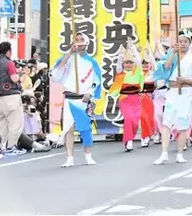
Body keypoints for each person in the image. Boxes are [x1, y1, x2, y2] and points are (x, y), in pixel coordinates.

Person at [152, 29, 192, 165]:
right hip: (172, 92)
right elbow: (165, 69)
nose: (183, 44)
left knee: (183, 123)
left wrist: (186, 80)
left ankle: (179, 153)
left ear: (189, 43)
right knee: (166, 122)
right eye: (180, 41)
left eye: (185, 41)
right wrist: (172, 53)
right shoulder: (172, 55)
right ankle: (164, 153)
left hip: (186, 93)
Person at [52, 32, 102, 168]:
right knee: (68, 129)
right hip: (69, 97)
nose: (79, 42)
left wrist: (90, 93)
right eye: (76, 39)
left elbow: (97, 80)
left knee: (85, 128)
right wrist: (69, 53)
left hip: (84, 99)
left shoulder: (91, 62)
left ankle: (88, 155)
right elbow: (56, 73)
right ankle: (69, 158)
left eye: (81, 39)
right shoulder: (68, 58)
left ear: (87, 43)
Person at [109, 41, 144, 152]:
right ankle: (129, 141)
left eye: (130, 62)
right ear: (123, 64)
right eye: (126, 63)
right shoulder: (121, 73)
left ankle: (129, 138)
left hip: (136, 100)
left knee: (135, 121)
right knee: (128, 119)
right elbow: (119, 64)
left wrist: (132, 48)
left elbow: (138, 61)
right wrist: (121, 55)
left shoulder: (137, 72)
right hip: (125, 99)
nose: (128, 64)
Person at [0, 41, 25, 155]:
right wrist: (20, 74)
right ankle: (11, 147)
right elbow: (14, 78)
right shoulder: (9, 63)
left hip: (0, 97)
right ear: (8, 51)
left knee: (3, 125)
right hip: (11, 96)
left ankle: (0, 147)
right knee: (15, 123)